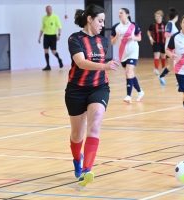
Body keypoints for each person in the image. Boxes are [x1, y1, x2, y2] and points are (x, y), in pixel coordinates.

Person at [66, 4, 119, 187]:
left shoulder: (103, 41)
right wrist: (105, 66)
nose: (103, 24)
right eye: (100, 20)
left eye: (104, 21)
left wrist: (109, 64)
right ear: (89, 19)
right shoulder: (75, 38)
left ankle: (87, 171)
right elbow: (80, 63)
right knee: (76, 133)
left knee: (95, 124)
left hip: (99, 87)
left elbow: (102, 63)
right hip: (76, 90)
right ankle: (76, 160)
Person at [111, 8, 144, 103]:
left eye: (121, 13)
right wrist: (116, 37)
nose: (119, 14)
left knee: (128, 73)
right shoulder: (116, 27)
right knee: (130, 74)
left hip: (133, 51)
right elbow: (112, 43)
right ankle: (140, 91)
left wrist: (133, 37)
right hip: (122, 53)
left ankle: (128, 96)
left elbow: (140, 38)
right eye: (118, 13)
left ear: (127, 14)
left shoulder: (134, 25)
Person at [38, 5, 63, 71]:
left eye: (49, 9)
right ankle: (48, 65)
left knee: (53, 51)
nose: (48, 10)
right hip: (46, 36)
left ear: (51, 10)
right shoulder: (44, 18)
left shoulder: (55, 17)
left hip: (53, 36)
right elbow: (42, 28)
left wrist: (59, 35)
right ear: (46, 10)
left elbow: (59, 26)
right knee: (46, 51)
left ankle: (59, 59)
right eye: (47, 9)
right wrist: (39, 37)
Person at [158, 7, 178, 86]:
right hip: (169, 49)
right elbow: (166, 34)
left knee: (172, 65)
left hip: (172, 48)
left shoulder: (172, 24)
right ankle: (179, 81)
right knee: (176, 64)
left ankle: (161, 76)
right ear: (176, 16)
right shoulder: (170, 24)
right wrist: (175, 36)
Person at [147, 10, 166, 75]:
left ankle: (163, 68)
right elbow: (148, 31)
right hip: (156, 42)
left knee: (163, 56)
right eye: (156, 16)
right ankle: (156, 69)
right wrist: (150, 39)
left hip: (164, 42)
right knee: (156, 56)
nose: (157, 18)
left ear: (161, 17)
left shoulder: (165, 24)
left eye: (159, 16)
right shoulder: (153, 25)